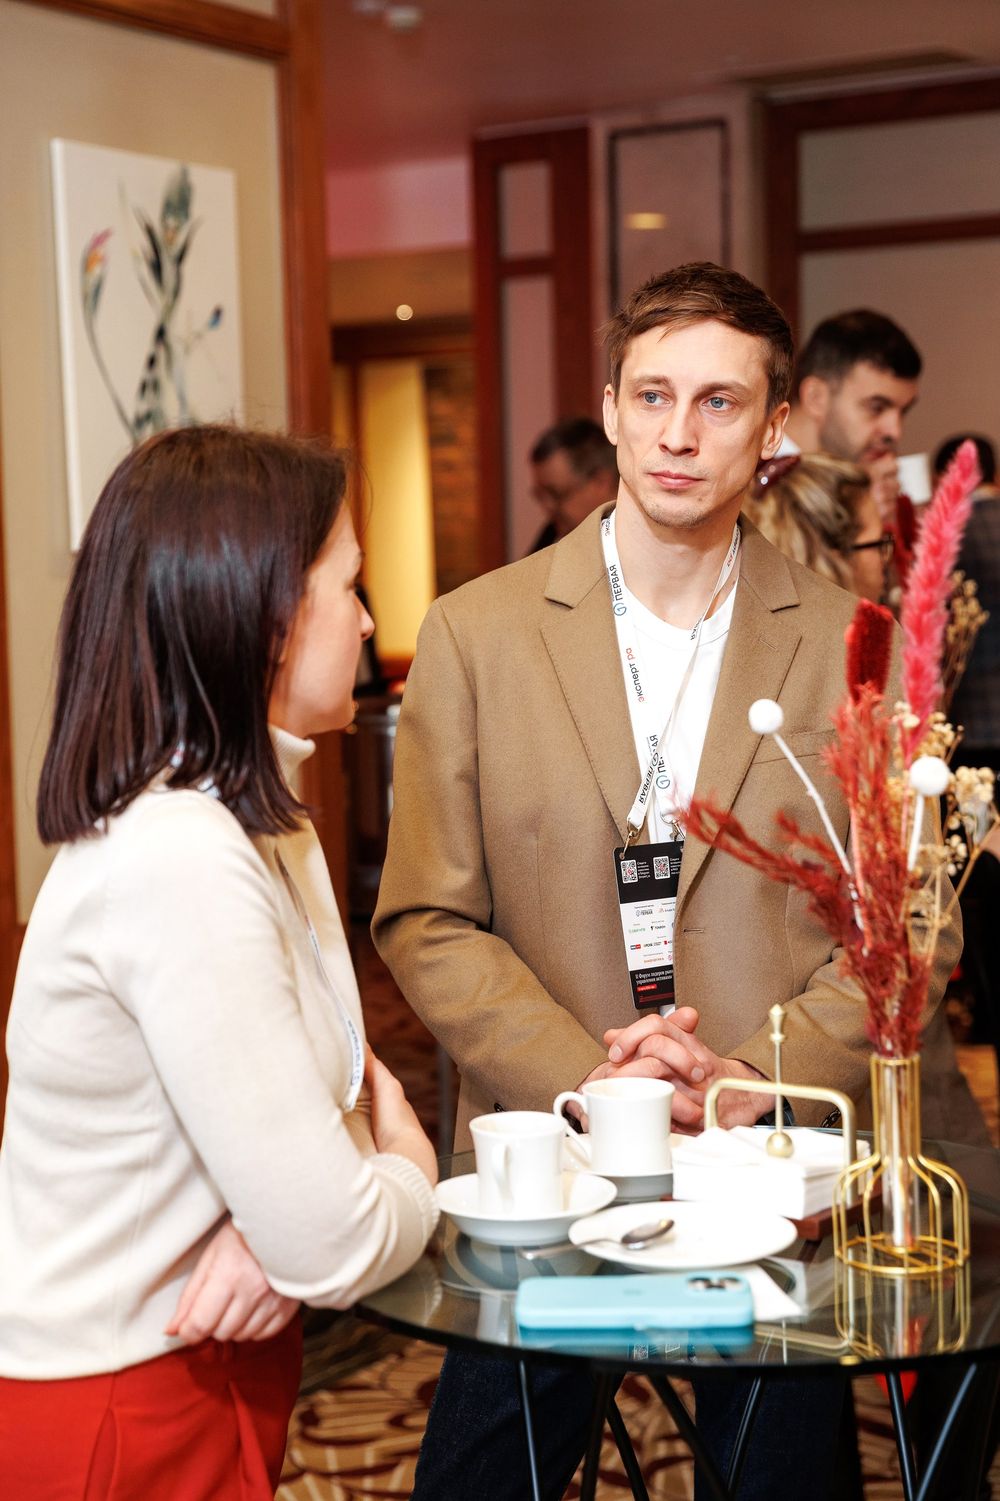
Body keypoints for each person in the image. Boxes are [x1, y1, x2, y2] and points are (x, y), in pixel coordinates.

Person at [373, 262, 978, 1500]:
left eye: (718, 402)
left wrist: (747, 1076)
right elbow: (429, 914)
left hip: (767, 1150)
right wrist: (594, 1081)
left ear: (774, 428)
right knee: (485, 1474)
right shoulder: (477, 634)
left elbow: (915, 922)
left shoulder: (851, 644)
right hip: (552, 1144)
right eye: (651, 395)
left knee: (780, 1478)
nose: (677, 433)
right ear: (608, 408)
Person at [0, 426, 439, 1500]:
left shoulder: (261, 826)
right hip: (117, 1400)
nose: (368, 620)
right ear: (267, 617)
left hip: (205, 1372)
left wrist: (279, 1221)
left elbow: (331, 1094)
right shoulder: (182, 856)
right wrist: (412, 1166)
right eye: (350, 585)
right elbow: (338, 1229)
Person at [780, 309, 921, 529]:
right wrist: (857, 525)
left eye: (903, 411)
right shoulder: (751, 484)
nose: (895, 431)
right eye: (876, 407)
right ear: (816, 397)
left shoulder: (852, 481)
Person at [527, 415, 619, 552]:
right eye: (540, 495)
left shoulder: (634, 542)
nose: (548, 506)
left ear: (601, 482)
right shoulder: (550, 535)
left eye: (556, 494)